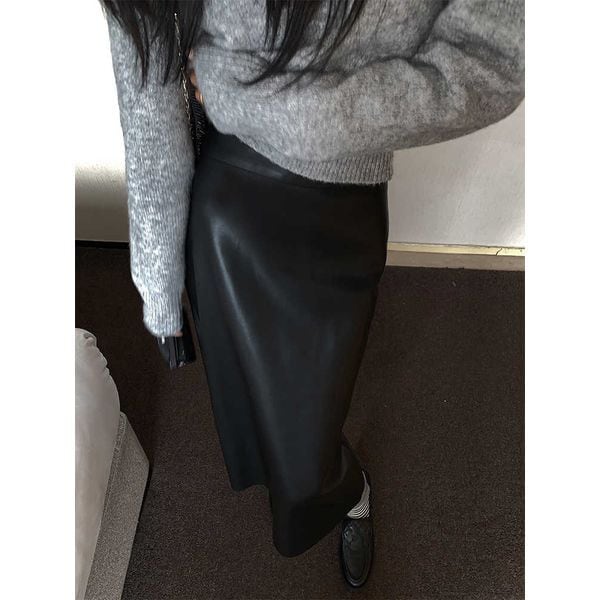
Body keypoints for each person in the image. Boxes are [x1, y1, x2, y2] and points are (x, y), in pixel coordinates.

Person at [102, 0, 524, 588]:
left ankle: (349, 487)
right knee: (256, 404)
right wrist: (157, 278)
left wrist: (260, 104)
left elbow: (497, 59)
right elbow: (148, 94)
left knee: (312, 423)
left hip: (343, 213)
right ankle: (319, 476)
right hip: (230, 217)